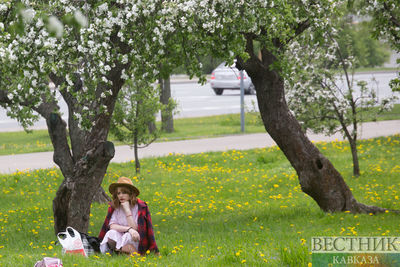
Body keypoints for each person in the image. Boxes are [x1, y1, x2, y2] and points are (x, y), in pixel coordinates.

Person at [98, 176, 159, 255]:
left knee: (128, 236)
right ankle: (123, 250)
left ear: (131, 194)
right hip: (122, 235)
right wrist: (128, 229)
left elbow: (136, 229)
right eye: (118, 193)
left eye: (124, 192)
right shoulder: (116, 207)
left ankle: (126, 251)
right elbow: (112, 226)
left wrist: (127, 210)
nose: (121, 196)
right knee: (111, 233)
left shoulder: (139, 207)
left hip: (135, 238)